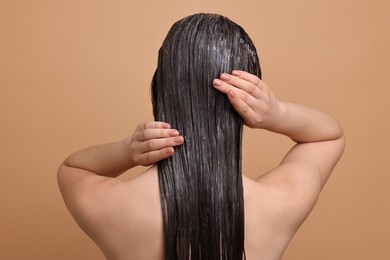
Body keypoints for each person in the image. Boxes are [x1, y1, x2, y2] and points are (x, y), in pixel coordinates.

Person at [57, 13, 345, 260]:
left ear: (161, 88)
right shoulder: (279, 203)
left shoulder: (114, 207)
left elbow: (73, 168)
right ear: (244, 104)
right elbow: (328, 137)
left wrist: (127, 151)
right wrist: (277, 113)